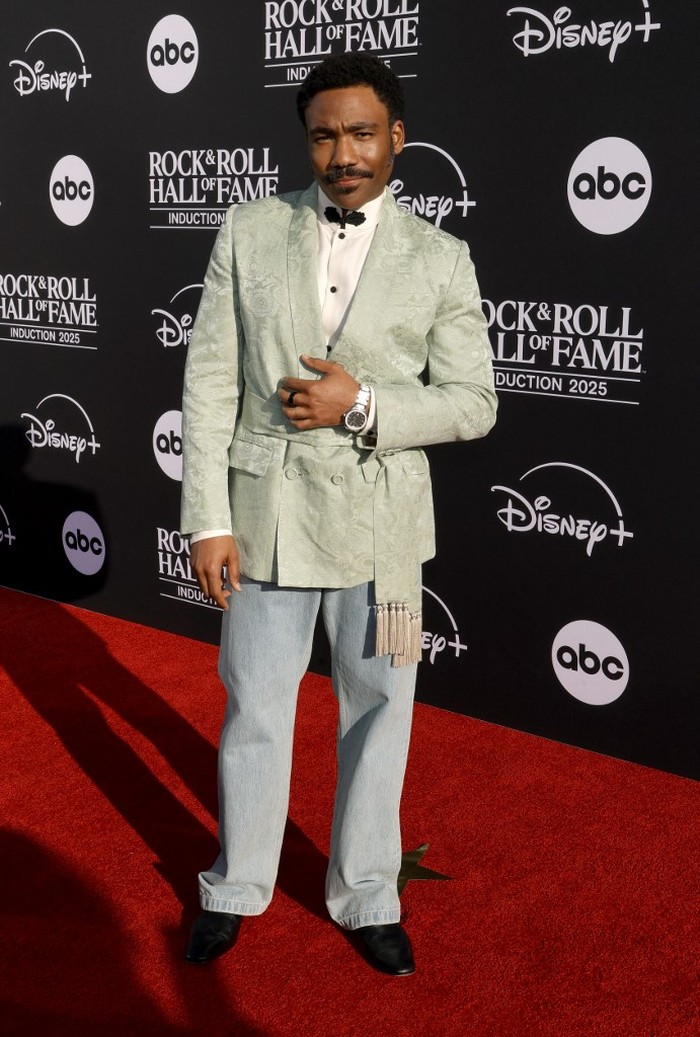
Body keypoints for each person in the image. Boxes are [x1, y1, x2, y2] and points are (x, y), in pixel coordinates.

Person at [181, 53, 497, 976]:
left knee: (378, 713)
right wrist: (207, 519)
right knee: (255, 711)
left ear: (396, 136)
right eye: (325, 133)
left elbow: (475, 402)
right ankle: (236, 883)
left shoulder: (442, 257)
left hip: (380, 527)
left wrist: (364, 407)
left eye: (362, 133)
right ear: (306, 139)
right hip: (266, 515)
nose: (343, 152)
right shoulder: (247, 230)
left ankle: (366, 893)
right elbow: (207, 383)